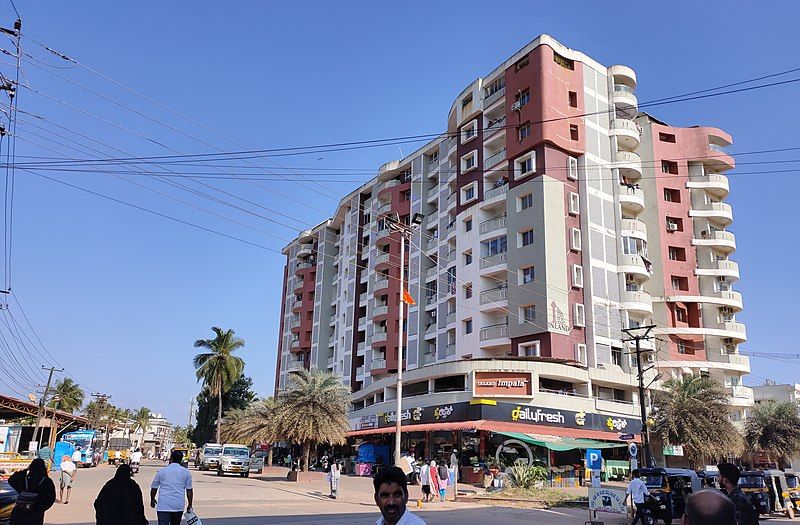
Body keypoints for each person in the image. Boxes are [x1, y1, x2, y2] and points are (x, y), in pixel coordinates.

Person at [7, 458, 56, 525]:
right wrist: (41, 509)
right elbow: (51, 499)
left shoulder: (24, 479)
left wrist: (25, 470)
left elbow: (11, 480)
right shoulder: (46, 481)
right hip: (35, 514)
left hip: (20, 511)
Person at [150, 450, 193, 525]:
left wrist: (152, 499)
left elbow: (154, 488)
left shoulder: (162, 471)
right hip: (178, 506)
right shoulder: (186, 472)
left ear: (171, 459)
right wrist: (190, 504)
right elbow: (189, 490)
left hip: (163, 505)